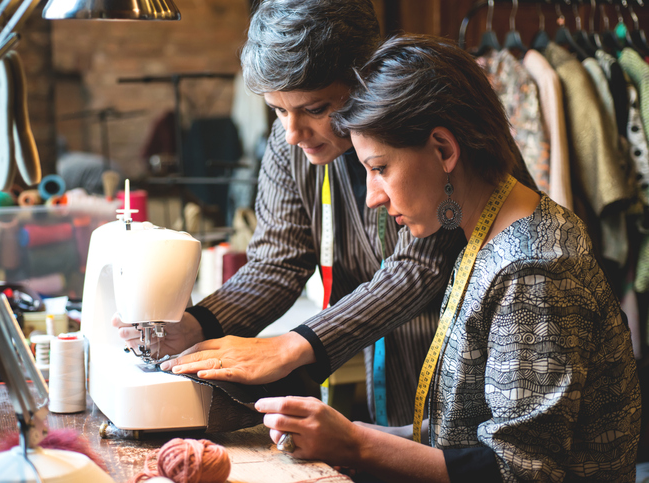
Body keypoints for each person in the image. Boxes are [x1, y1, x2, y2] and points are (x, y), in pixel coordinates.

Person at [115, 0, 534, 427]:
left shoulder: (420, 138)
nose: (292, 133)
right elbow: (276, 263)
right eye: (278, 110)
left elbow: (417, 267)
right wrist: (196, 324)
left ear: (366, 78)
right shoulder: (290, 144)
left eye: (315, 109)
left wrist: (292, 346)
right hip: (388, 370)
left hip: (480, 362)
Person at [255, 35, 641, 482]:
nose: (371, 198)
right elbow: (471, 435)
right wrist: (354, 434)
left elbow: (517, 471)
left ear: (443, 150)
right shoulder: (486, 234)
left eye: (380, 168)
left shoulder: (532, 270)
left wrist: (358, 445)